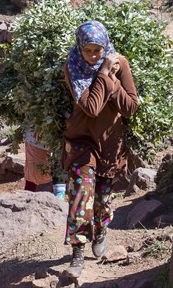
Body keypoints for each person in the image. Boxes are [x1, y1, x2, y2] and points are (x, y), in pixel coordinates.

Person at [61, 20, 138, 278]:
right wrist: (104, 73)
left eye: (98, 50)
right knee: (81, 196)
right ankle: (77, 253)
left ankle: (101, 229)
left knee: (103, 199)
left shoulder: (121, 63)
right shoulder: (73, 67)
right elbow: (91, 107)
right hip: (82, 140)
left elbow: (130, 107)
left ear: (105, 45)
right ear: (80, 48)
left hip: (110, 142)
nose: (93, 56)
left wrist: (113, 81)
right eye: (88, 51)